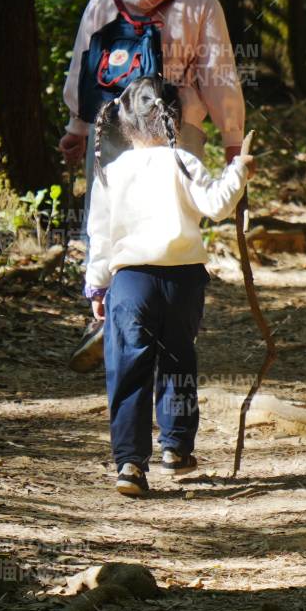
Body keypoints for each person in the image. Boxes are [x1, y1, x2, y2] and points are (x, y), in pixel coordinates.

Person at [84, 77, 254, 496]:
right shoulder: (184, 162)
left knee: (129, 369)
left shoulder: (112, 171)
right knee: (179, 358)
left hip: (131, 282)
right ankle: (176, 446)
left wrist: (97, 286)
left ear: (125, 125)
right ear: (174, 118)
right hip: (183, 280)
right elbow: (216, 205)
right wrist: (239, 172)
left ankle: (129, 464)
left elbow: (100, 235)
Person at [59, 0, 245, 176]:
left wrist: (77, 128)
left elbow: (84, 68)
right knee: (174, 220)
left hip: (111, 127)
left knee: (112, 219)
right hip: (179, 132)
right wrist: (233, 140)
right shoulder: (201, 2)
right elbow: (218, 76)